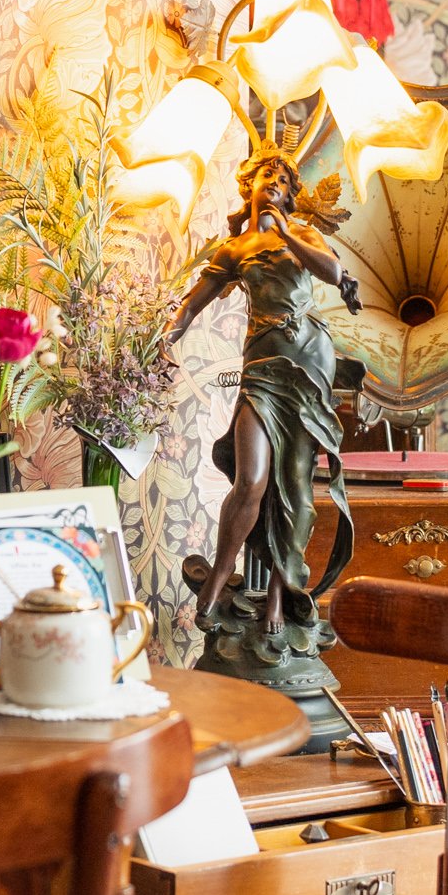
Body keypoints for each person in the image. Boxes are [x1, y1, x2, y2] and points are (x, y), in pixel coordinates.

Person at [170, 145, 362, 685]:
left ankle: (280, 592)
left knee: (295, 486)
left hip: (308, 363)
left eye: (283, 178)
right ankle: (223, 571)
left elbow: (329, 270)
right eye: (267, 175)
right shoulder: (235, 247)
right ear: (249, 183)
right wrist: (164, 336)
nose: (275, 182)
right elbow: (192, 305)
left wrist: (286, 230)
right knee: (251, 479)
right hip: (262, 365)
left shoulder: (300, 237)